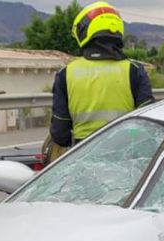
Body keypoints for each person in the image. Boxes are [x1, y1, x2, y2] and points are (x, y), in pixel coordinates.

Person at [48, 2, 153, 158]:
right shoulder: (135, 71)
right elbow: (149, 124)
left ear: (84, 31)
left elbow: (60, 134)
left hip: (84, 156)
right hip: (126, 156)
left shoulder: (66, 74)